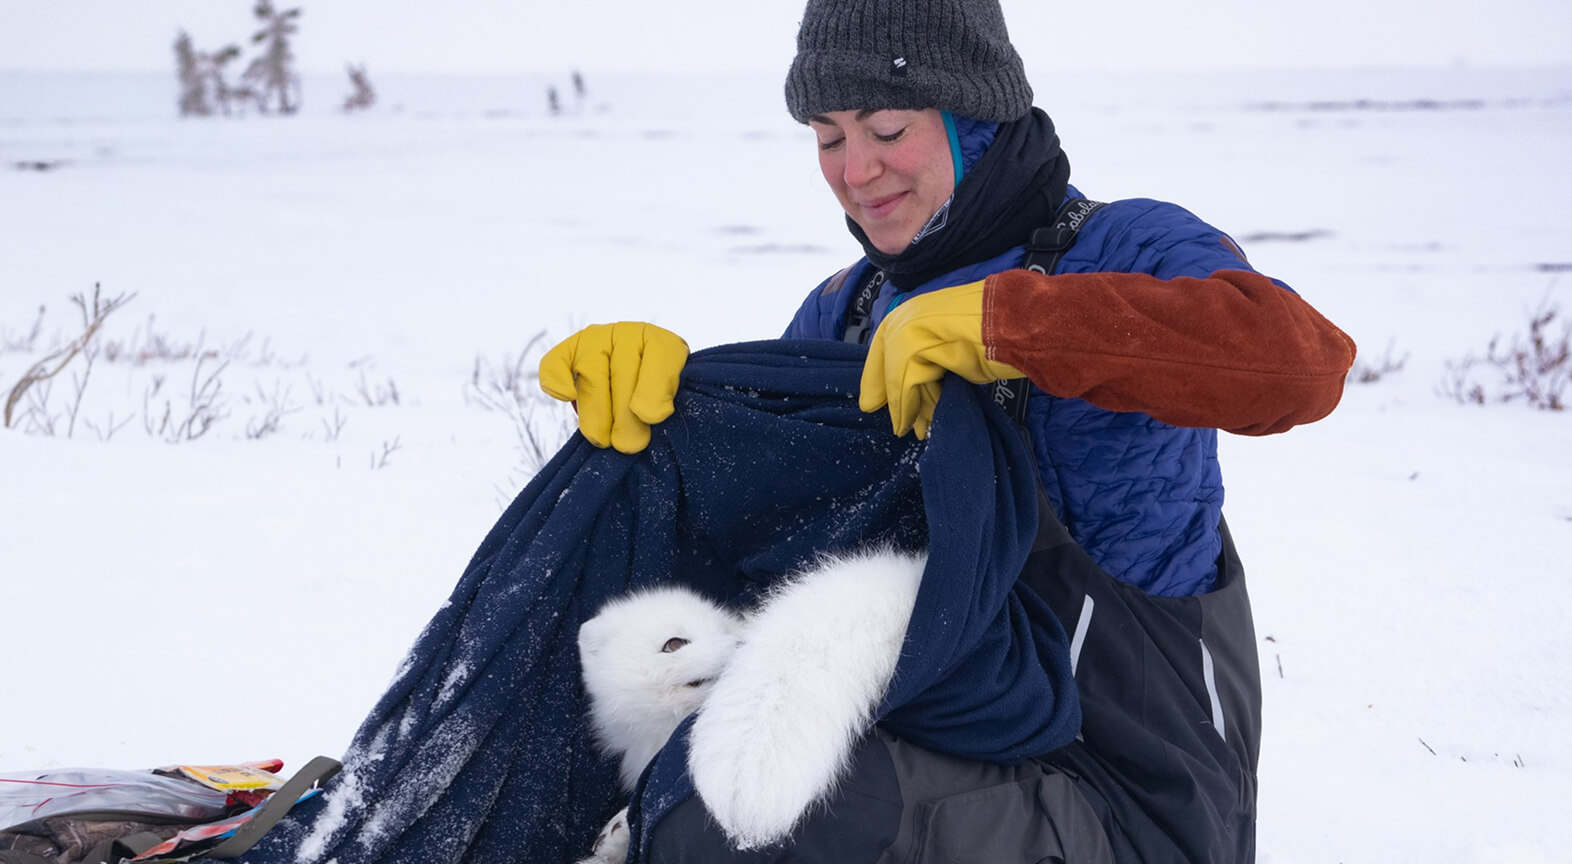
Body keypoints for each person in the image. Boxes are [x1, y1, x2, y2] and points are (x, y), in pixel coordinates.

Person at [539, 0, 1357, 861]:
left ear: (975, 116)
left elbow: (1302, 364)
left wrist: (1013, 326)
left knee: (747, 821)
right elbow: (768, 545)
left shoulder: (1123, 248)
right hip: (937, 736)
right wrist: (682, 408)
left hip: (1134, 797)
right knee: (679, 784)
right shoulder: (847, 310)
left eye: (887, 129)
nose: (856, 171)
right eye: (827, 138)